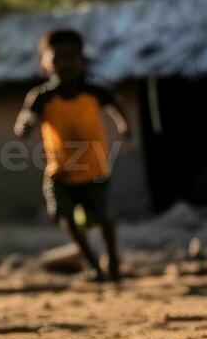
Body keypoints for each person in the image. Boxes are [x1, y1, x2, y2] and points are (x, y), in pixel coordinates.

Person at [15, 28, 131, 283]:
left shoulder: (95, 90)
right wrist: (24, 125)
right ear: (46, 64)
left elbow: (115, 105)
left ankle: (111, 261)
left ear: (83, 60)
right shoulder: (42, 96)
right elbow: (28, 115)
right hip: (60, 172)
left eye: (71, 57)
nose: (65, 64)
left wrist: (124, 125)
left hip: (95, 170)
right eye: (58, 58)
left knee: (102, 218)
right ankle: (92, 265)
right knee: (64, 216)